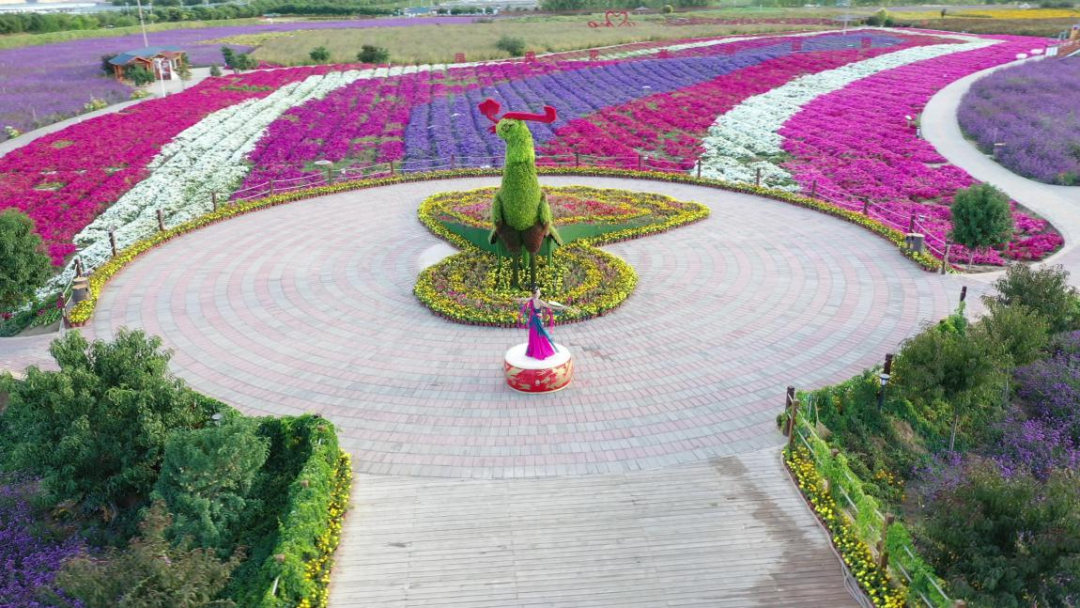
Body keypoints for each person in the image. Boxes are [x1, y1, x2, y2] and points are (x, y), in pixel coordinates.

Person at [515, 287, 574, 360]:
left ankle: (533, 351)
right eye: (539, 292)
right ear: (536, 294)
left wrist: (515, 299)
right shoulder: (539, 301)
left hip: (532, 319)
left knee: (534, 334)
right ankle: (538, 353)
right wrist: (562, 307)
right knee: (539, 334)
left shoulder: (531, 299)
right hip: (536, 320)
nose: (540, 293)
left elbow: (523, 299)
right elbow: (550, 306)